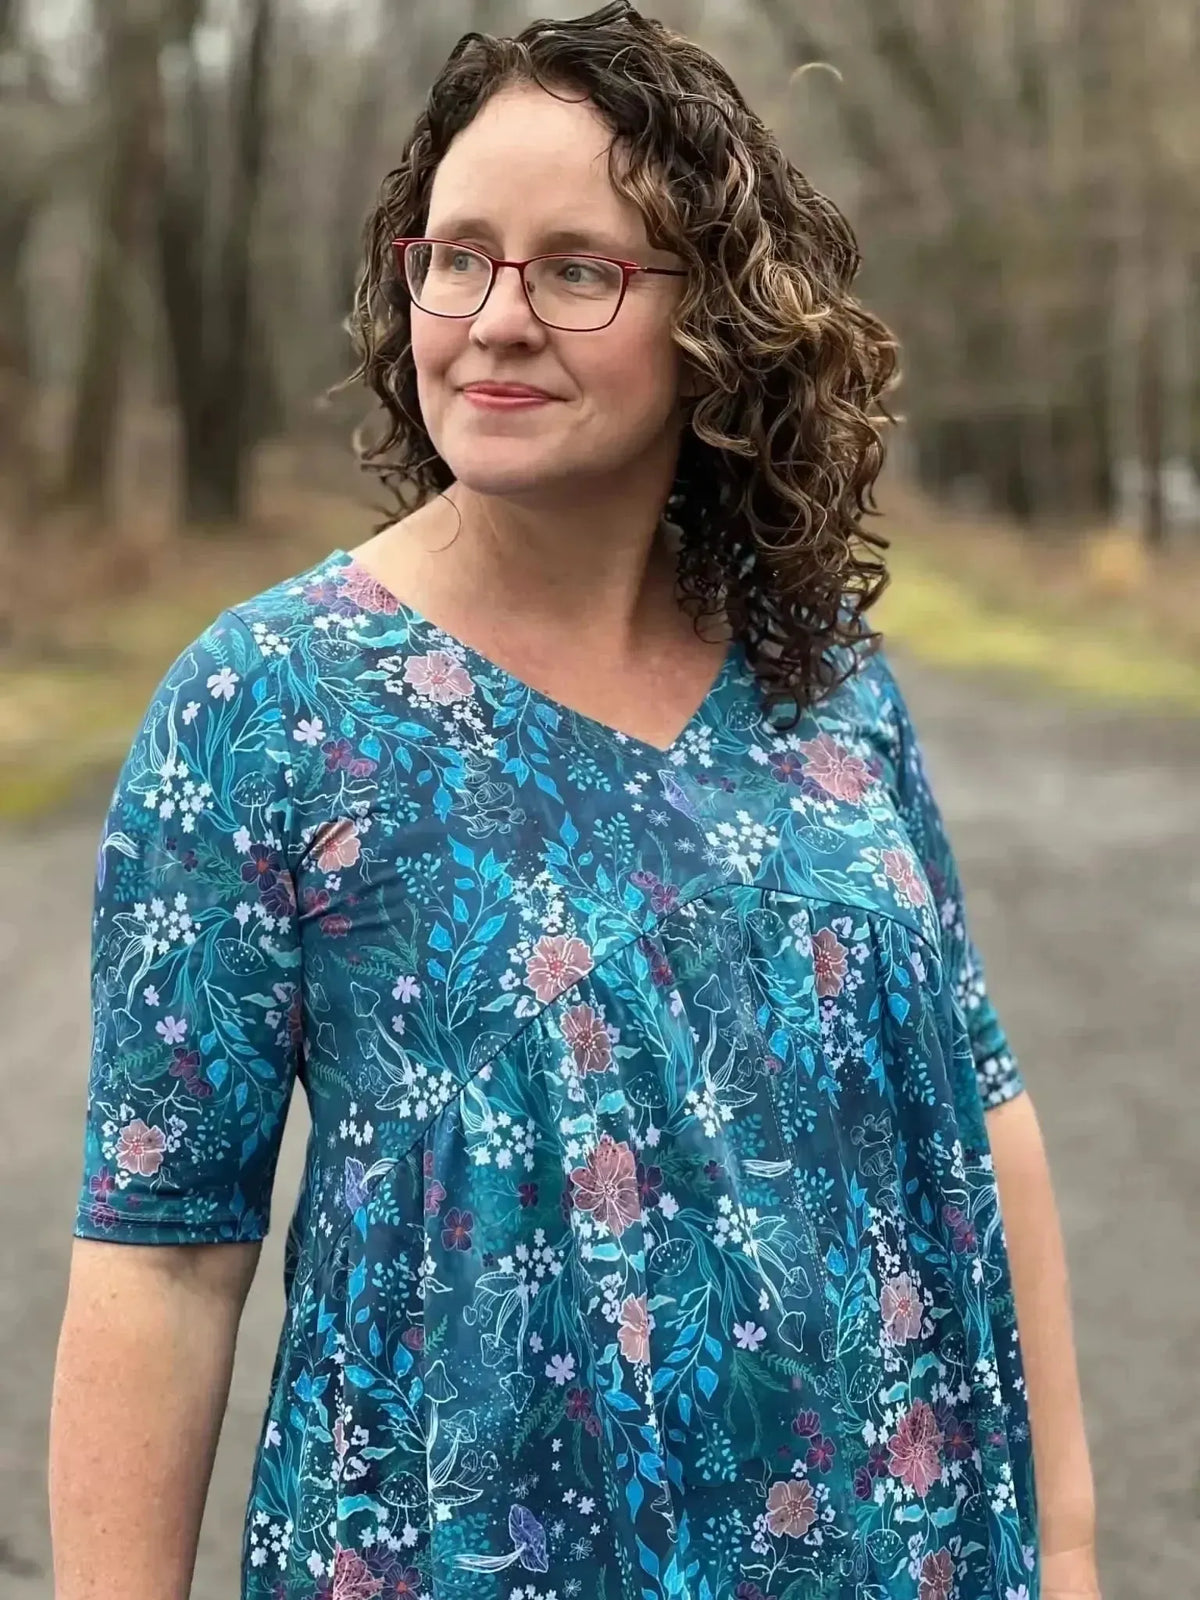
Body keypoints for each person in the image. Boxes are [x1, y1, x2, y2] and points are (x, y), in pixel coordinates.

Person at [49, 5, 1099, 1598]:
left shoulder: (820, 677)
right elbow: (167, 1263)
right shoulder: (267, 707)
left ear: (719, 322)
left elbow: (977, 1107)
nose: (497, 316)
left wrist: (1073, 1547)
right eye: (456, 255)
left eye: (580, 267)